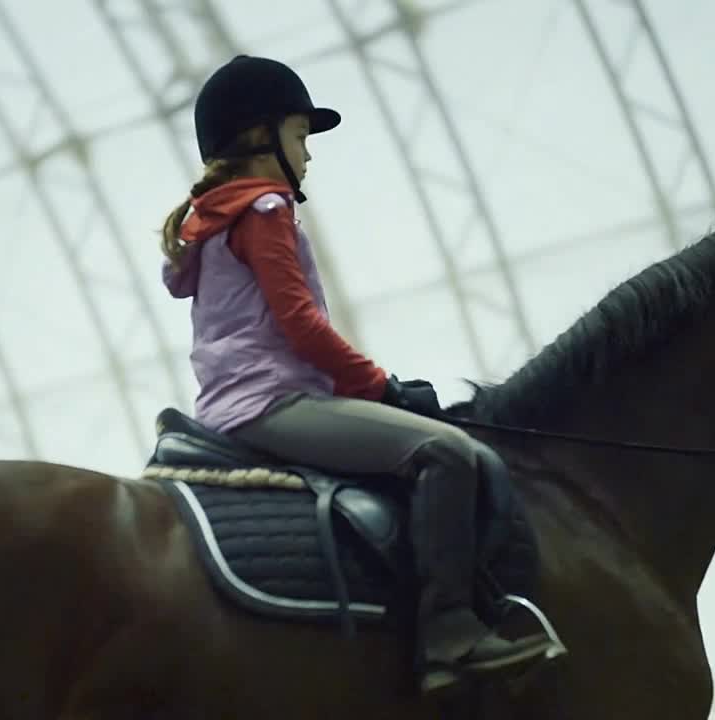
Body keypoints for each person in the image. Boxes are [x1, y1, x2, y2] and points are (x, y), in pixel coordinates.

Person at [160, 54, 551, 695]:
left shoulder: (215, 222)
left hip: (232, 403)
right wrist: (382, 387)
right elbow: (302, 326)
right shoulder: (263, 209)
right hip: (273, 403)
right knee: (446, 453)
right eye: (300, 137)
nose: (308, 156)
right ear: (261, 138)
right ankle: (449, 634)